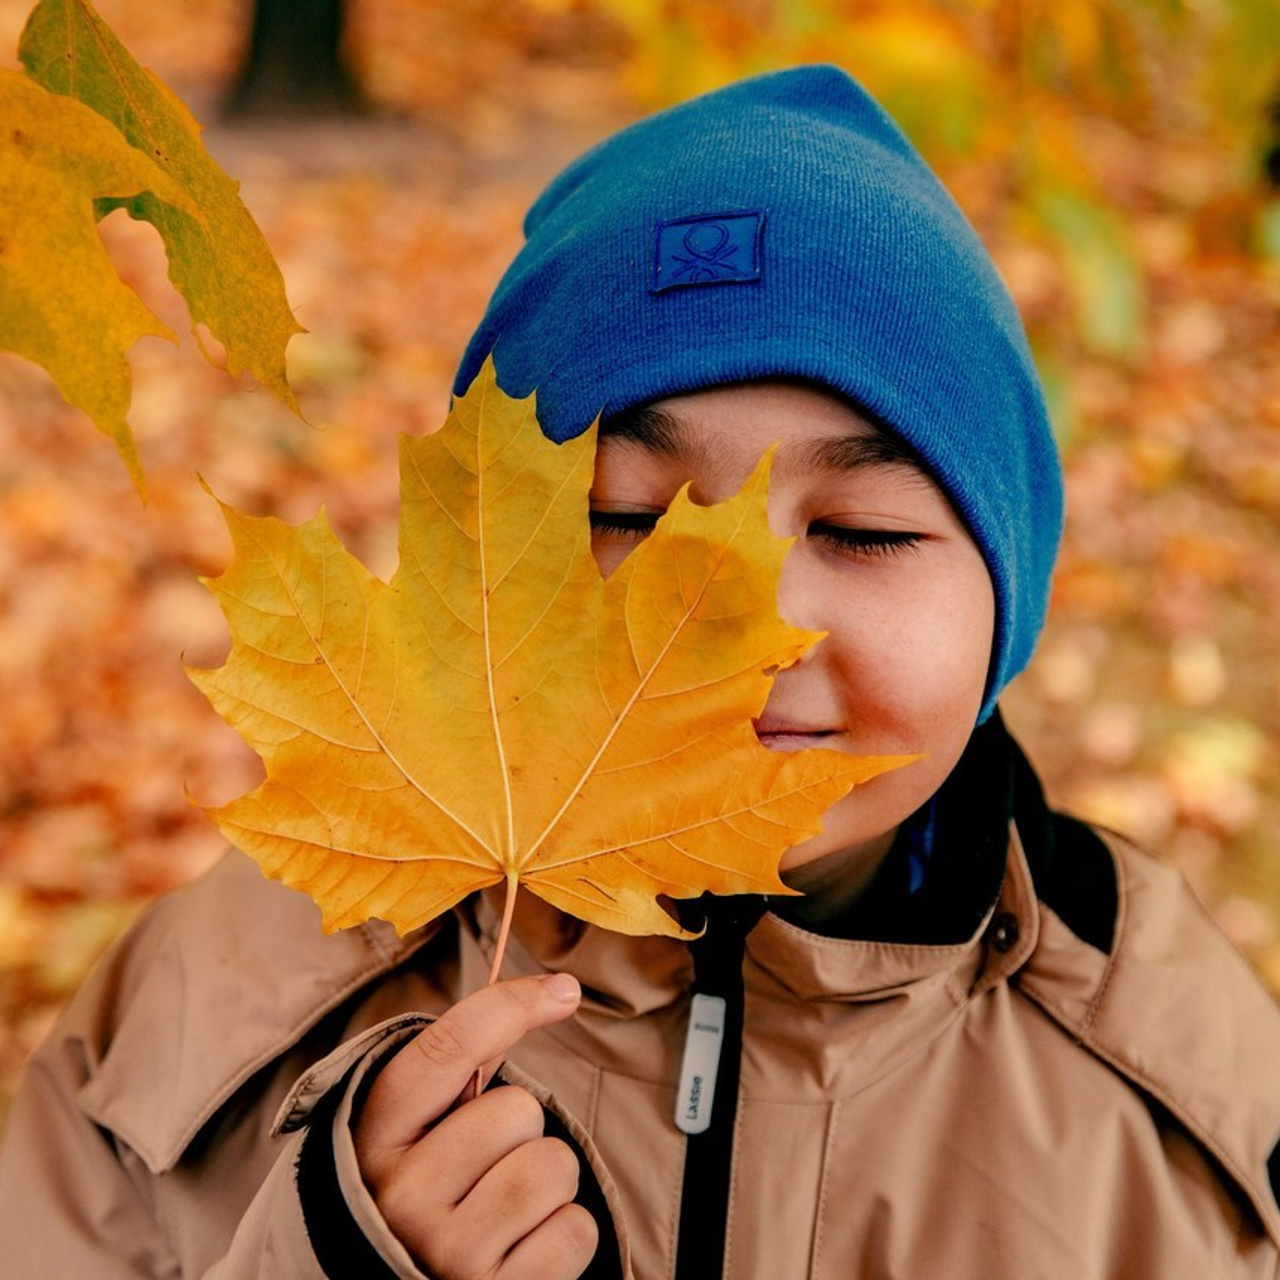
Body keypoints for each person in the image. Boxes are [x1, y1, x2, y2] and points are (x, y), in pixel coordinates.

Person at [2, 63, 1279, 1280]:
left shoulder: (1178, 1095)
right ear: (488, 574)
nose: (745, 622)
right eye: (624, 513)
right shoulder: (222, 1000)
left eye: (862, 531)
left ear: (1007, 597)